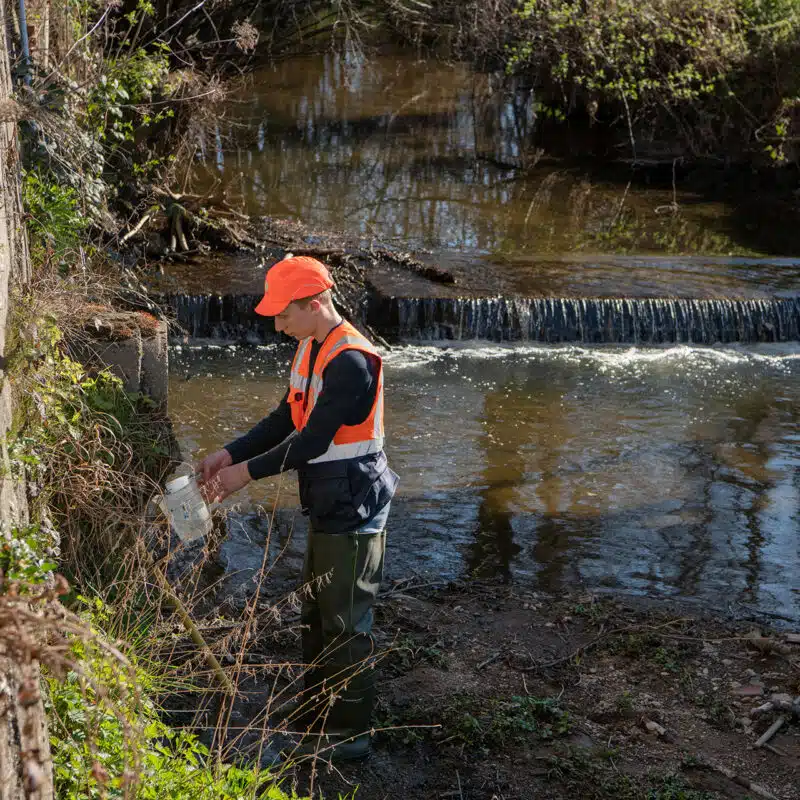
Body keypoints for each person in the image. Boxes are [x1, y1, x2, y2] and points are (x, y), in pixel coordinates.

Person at [197, 255, 398, 762]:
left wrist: (243, 475)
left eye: (283, 315)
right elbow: (286, 416)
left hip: (355, 503)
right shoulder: (311, 348)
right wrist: (231, 452)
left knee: (345, 622)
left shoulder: (350, 361)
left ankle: (347, 736)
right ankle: (316, 715)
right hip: (331, 498)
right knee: (316, 610)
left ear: (314, 304)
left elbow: (310, 441)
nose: (276, 324)